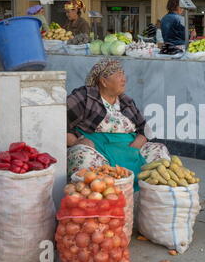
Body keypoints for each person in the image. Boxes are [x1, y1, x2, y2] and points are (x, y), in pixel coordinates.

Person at [67, 58, 170, 190]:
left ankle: (152, 198)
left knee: (159, 150)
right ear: (103, 81)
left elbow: (143, 129)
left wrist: (137, 144)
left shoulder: (126, 102)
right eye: (118, 75)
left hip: (130, 149)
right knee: (81, 155)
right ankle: (100, 199)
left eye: (123, 73)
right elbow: (59, 124)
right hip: (99, 151)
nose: (124, 79)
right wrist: (76, 142)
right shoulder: (84, 97)